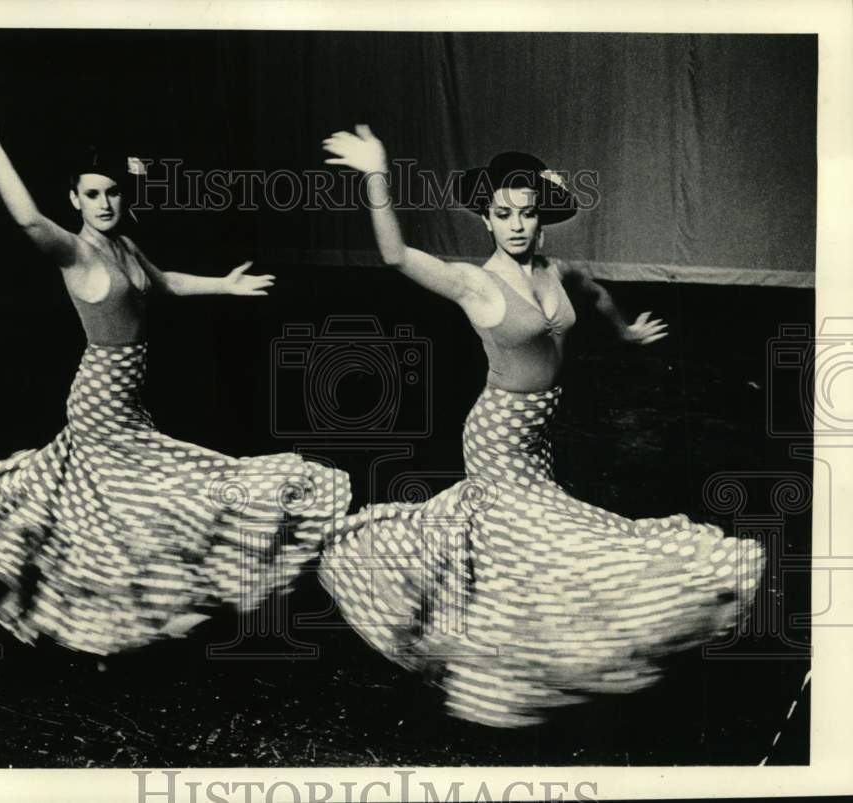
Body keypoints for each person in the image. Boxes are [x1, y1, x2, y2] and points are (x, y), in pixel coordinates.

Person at [318, 125, 765, 728]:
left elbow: (594, 293)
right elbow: (396, 257)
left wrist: (626, 332)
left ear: (541, 216)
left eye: (527, 212)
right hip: (497, 441)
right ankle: (502, 667)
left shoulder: (557, 272)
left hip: (538, 442)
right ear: (486, 220)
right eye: (503, 214)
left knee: (520, 549)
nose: (517, 225)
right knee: (547, 539)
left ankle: (505, 640)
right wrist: (376, 173)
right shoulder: (476, 283)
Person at [0, 78, 351, 656]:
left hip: (128, 403)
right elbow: (26, 218)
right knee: (162, 496)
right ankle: (152, 612)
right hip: (100, 404)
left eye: (112, 194)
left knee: (126, 509)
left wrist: (224, 284)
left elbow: (166, 282)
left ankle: (154, 607)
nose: (104, 204)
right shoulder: (74, 252)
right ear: (73, 199)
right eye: (92, 194)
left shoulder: (122, 247)